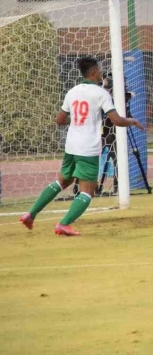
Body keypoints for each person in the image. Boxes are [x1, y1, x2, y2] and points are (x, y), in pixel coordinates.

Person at [20, 57, 141, 236]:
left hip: (71, 146)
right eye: (99, 70)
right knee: (88, 192)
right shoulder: (101, 94)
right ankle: (64, 224)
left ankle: (30, 214)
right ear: (93, 73)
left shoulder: (72, 91)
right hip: (88, 148)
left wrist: (77, 120)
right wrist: (131, 121)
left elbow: (59, 120)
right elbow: (116, 120)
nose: (101, 73)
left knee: (63, 181)